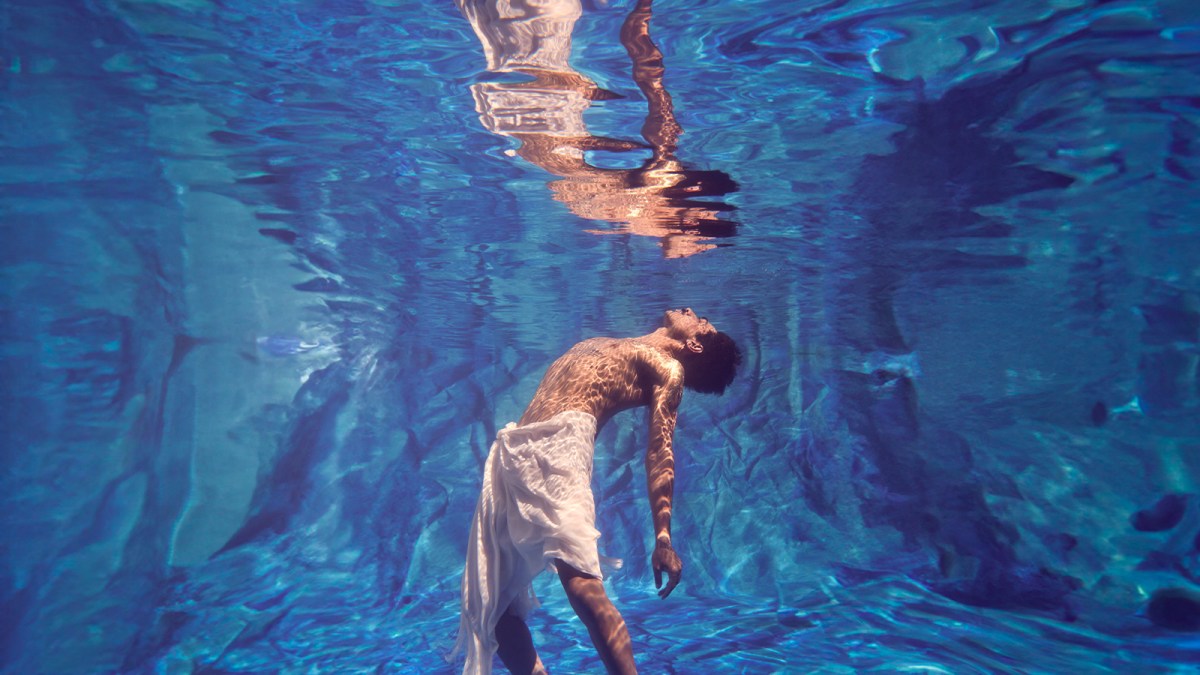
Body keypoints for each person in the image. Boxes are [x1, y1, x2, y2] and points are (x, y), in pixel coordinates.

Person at [455, 308, 742, 674]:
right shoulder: (631, 343)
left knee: (580, 583)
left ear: (695, 345)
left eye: (702, 323)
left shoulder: (669, 370)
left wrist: (663, 538)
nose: (694, 312)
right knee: (492, 604)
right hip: (512, 450)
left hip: (559, 447)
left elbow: (660, 453)